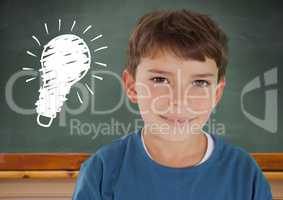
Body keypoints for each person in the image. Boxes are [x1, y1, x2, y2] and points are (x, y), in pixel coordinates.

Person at [72, 9, 273, 199]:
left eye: (199, 82)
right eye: (160, 80)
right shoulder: (102, 171)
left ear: (217, 93)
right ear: (132, 86)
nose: (179, 101)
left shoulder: (244, 174)